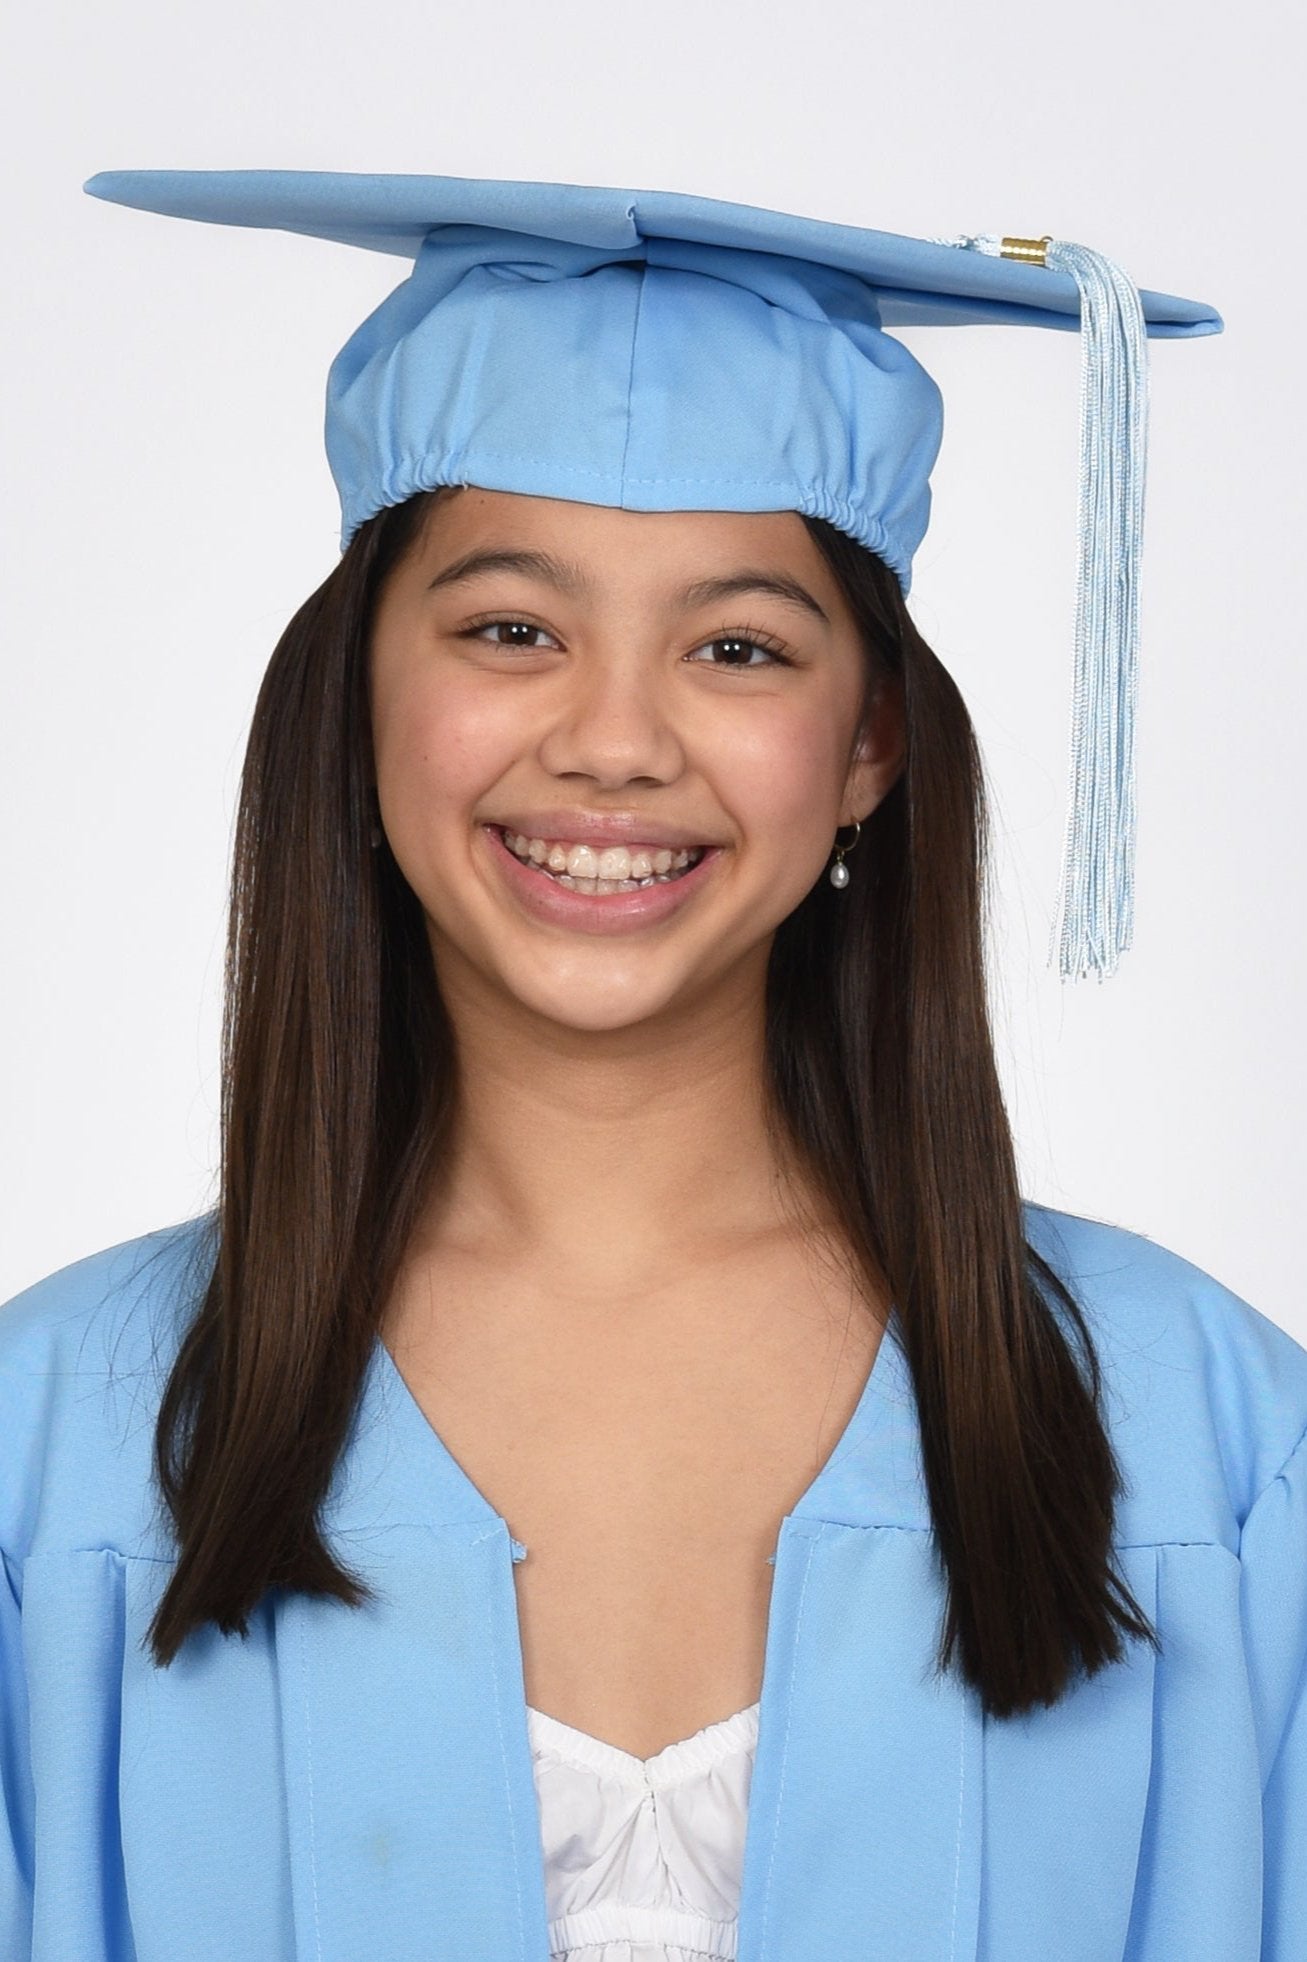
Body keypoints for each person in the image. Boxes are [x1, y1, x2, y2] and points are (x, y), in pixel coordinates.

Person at [2, 170, 1303, 1962]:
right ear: (358, 696)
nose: (614, 742)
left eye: (738, 646)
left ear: (867, 745)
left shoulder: (1204, 1436)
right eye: (510, 628)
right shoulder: (57, 1442)